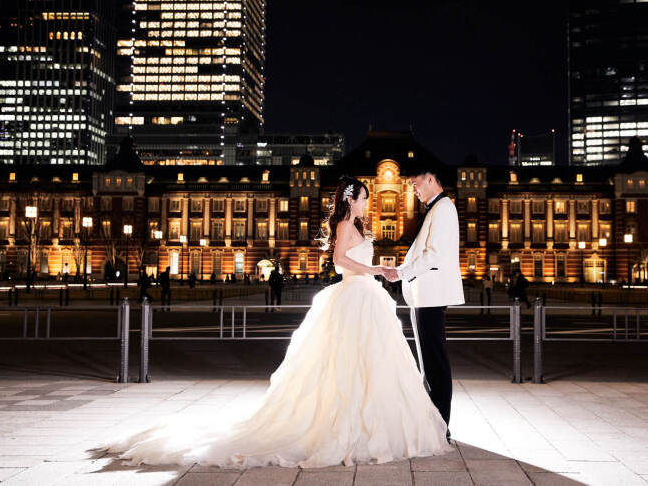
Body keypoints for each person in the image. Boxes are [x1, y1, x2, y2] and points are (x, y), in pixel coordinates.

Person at [102, 176, 450, 468]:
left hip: (367, 298)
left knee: (373, 364)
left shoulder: (356, 224)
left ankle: (370, 422)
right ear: (351, 199)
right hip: (354, 297)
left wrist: (384, 272)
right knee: (345, 364)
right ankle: (347, 425)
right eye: (364, 198)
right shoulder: (345, 224)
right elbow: (341, 260)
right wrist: (376, 269)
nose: (366, 203)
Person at [381, 163, 464, 445]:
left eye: (416, 184)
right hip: (425, 295)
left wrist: (401, 272)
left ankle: (441, 425)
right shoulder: (437, 209)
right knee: (429, 363)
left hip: (431, 295)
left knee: (435, 362)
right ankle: (435, 422)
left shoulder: (443, 209)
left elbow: (435, 255)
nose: (414, 190)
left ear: (430, 179)